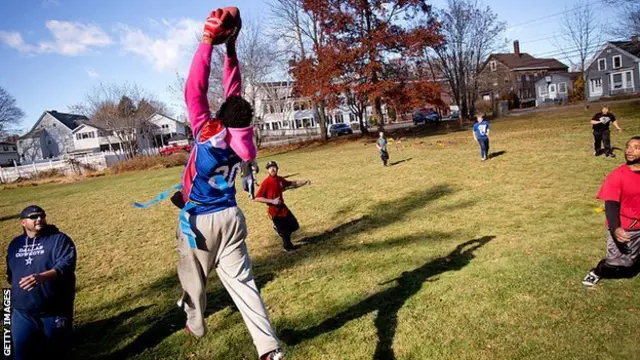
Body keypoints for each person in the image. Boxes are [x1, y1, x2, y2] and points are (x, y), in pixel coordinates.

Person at [175, 8, 284, 360]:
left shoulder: (207, 131)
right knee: (244, 286)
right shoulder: (243, 141)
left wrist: (208, 43)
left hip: (200, 222)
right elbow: (234, 92)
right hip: (231, 218)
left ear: (221, 114)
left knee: (193, 280)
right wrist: (232, 50)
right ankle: (269, 349)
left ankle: (195, 322)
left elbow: (195, 87)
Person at [6, 205, 77, 360]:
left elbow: (66, 265)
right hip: (22, 312)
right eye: (33, 217)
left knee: (56, 353)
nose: (39, 219)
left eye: (42, 215)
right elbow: (11, 274)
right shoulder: (15, 244)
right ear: (23, 222)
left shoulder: (59, 239)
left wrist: (41, 277)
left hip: (54, 309)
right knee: (21, 354)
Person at [582, 136, 640, 287]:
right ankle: (597, 271)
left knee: (632, 260)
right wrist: (615, 228)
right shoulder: (617, 175)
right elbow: (611, 204)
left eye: (636, 147)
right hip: (625, 227)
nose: (629, 150)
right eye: (628, 146)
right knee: (620, 264)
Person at [254, 161, 311, 252]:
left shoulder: (280, 179)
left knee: (294, 225)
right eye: (270, 168)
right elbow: (257, 198)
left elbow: (292, 184)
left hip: (283, 207)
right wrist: (272, 201)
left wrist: (304, 181)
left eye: (274, 167)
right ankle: (288, 247)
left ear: (277, 168)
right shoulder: (266, 182)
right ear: (268, 171)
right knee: (285, 231)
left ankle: (279, 230)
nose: (272, 169)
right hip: (274, 211)